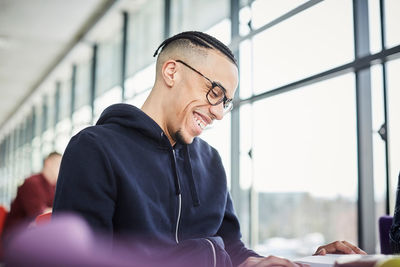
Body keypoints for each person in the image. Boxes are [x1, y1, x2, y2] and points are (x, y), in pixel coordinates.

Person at [53, 31, 365, 267]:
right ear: (172, 72)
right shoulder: (94, 149)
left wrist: (290, 263)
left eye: (226, 102)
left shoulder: (210, 161)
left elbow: (231, 247)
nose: (218, 112)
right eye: (215, 92)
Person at [5, 152, 62, 233]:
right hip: (16, 235)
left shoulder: (54, 187)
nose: (62, 169)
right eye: (59, 164)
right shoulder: (32, 183)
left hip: (37, 232)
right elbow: (39, 215)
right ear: (48, 163)